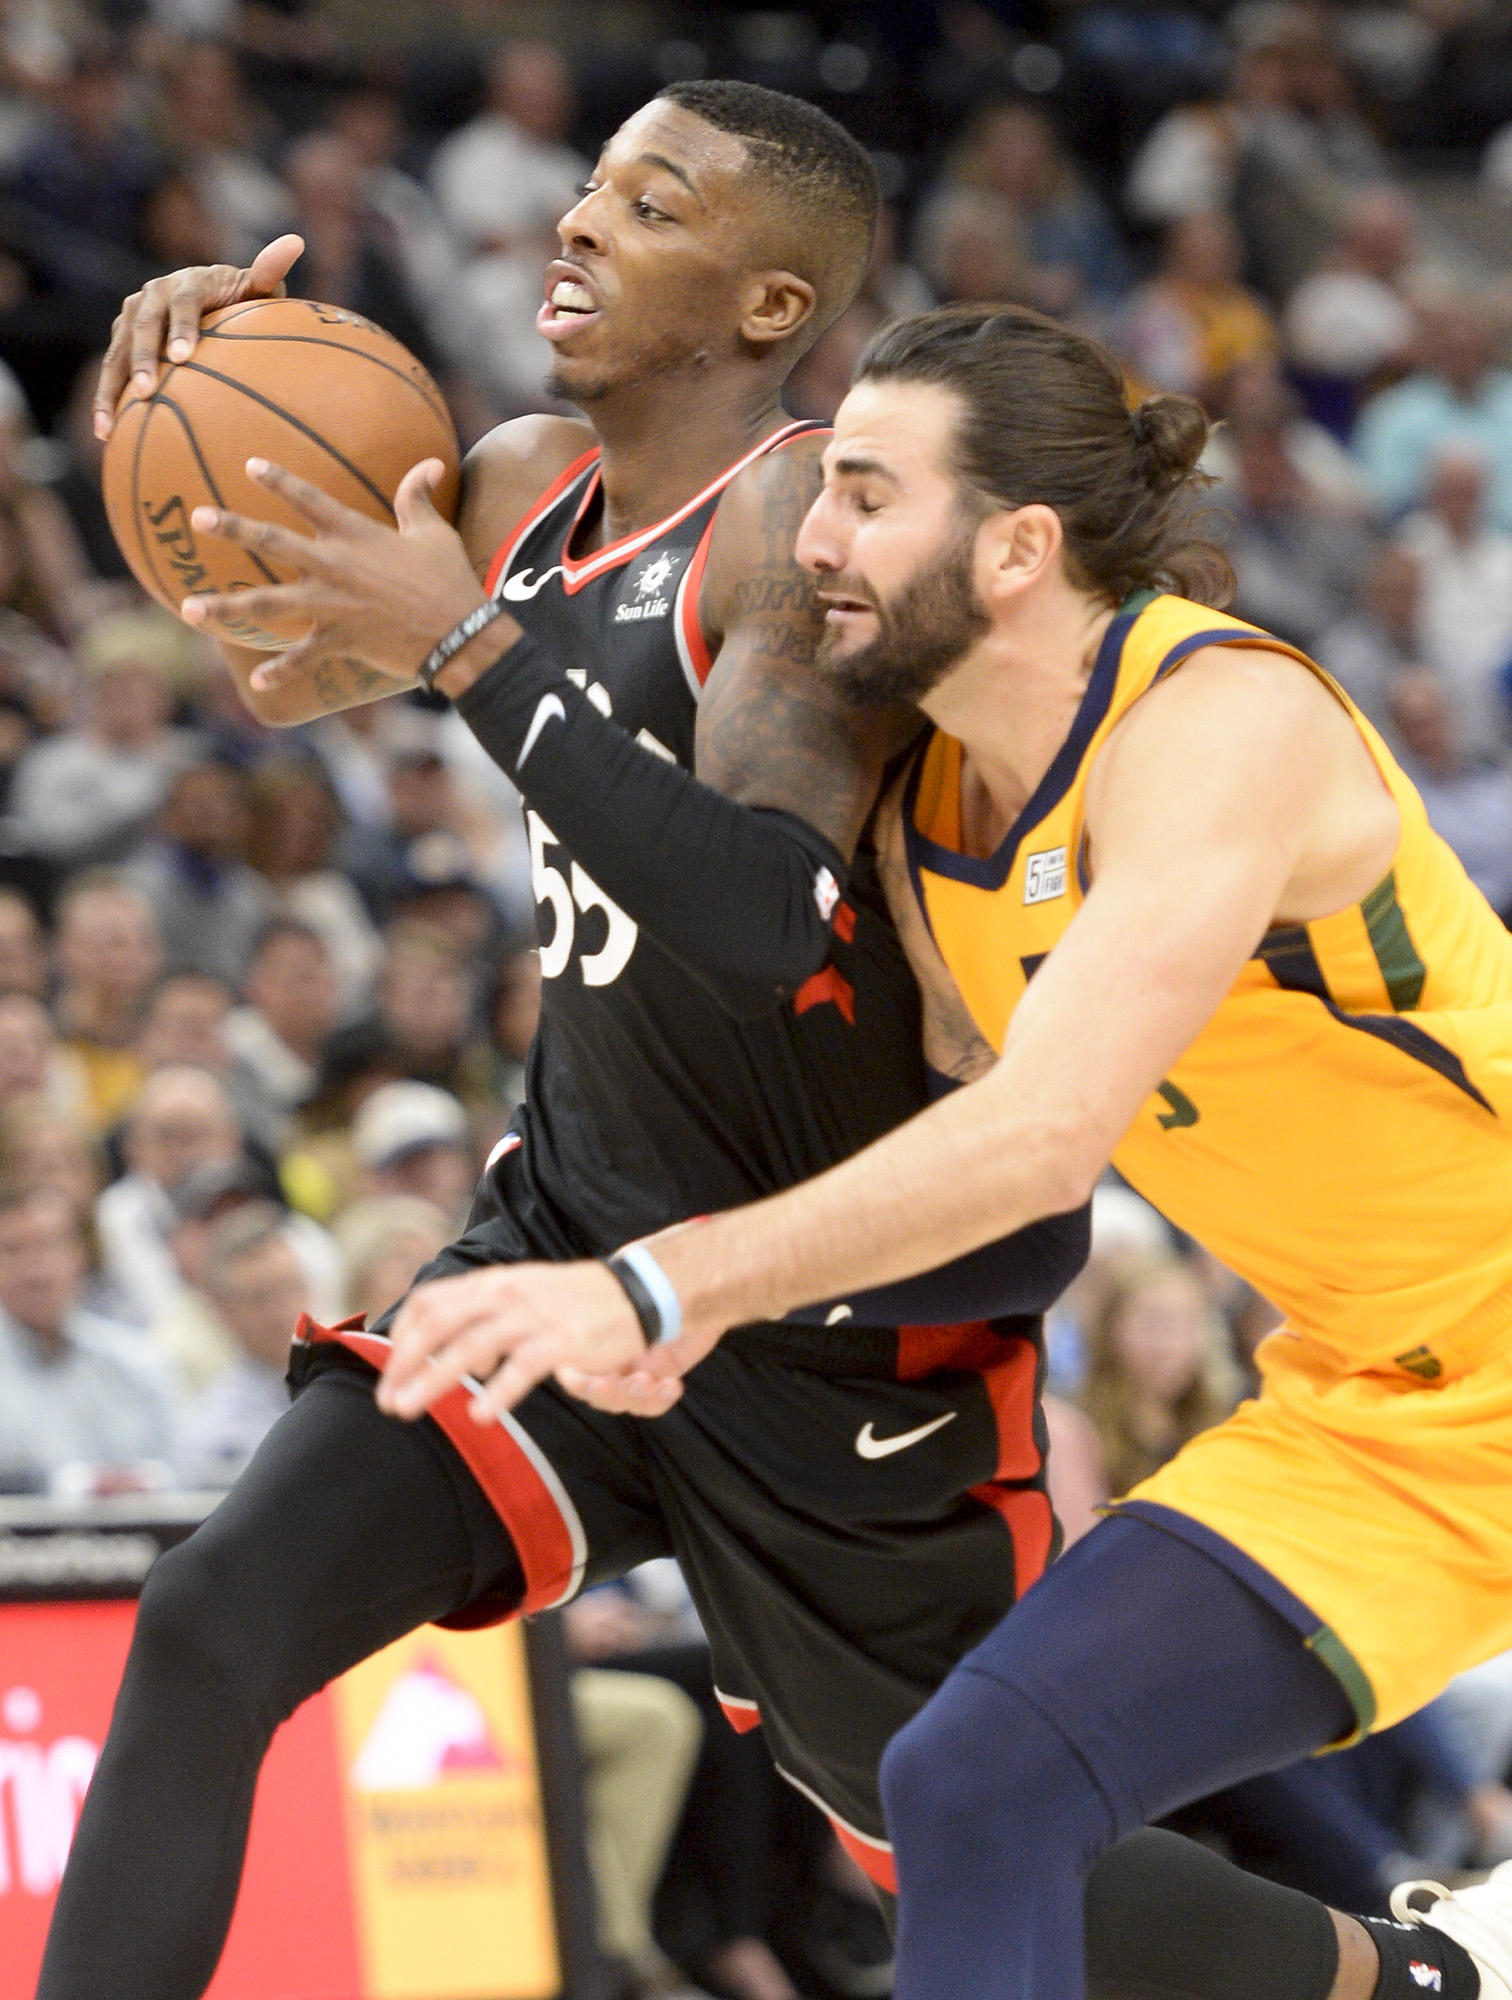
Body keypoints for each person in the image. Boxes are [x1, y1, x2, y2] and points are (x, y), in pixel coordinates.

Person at [44, 86, 1092, 2000]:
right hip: (564, 1252)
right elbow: (282, 660)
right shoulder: (521, 478)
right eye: (590, 182)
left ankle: (1381, 1968)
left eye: (650, 202)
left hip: (818, 1313)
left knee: (975, 1858)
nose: (580, 223)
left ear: (769, 303)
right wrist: (186, 410)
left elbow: (778, 921)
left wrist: (466, 651)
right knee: (209, 1618)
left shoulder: (802, 519)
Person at [385, 300, 1512, 2000]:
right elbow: (909, 1142)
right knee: (971, 1779)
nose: (808, 539)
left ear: (1013, 548)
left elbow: (1044, 1136)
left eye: (859, 496)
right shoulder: (923, 815)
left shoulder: (1218, 723)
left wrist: (655, 1286)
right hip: (1383, 1414)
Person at [0, 1185, 177, 1494]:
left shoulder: (137, 1364)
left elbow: (185, 1479)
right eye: (13, 1250)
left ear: (83, 1254)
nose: (35, 1272)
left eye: (50, 1246)